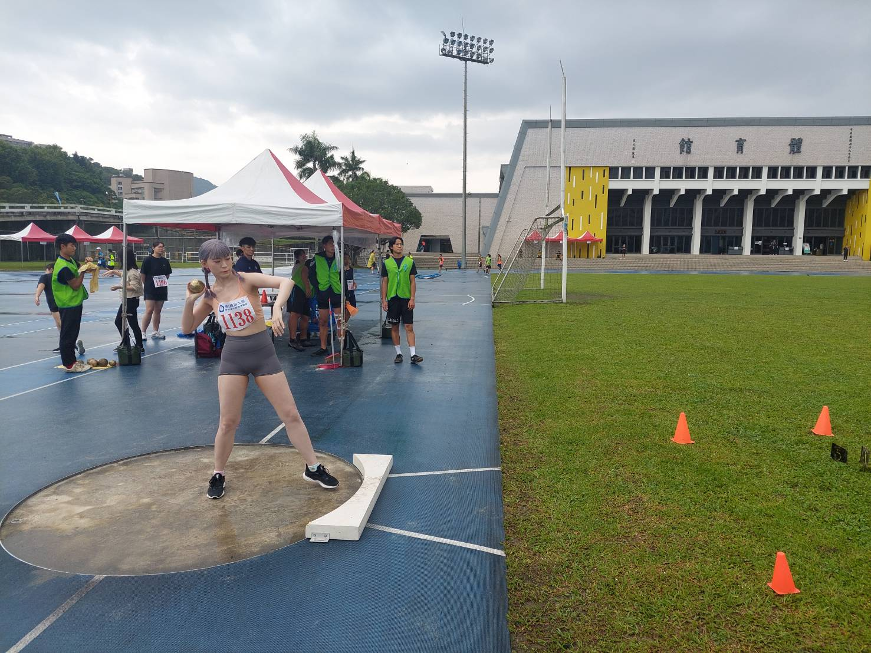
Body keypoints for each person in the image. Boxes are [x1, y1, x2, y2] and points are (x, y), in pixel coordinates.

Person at [182, 239, 339, 499]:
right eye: (216, 261)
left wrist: (277, 307)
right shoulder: (210, 297)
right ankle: (218, 473)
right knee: (228, 421)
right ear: (205, 265)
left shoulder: (246, 280)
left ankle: (312, 467)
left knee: (290, 414)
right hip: (233, 358)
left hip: (264, 354)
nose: (224, 265)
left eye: (227, 258)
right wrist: (190, 302)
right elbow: (188, 328)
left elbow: (286, 282)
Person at [51, 234, 91, 372]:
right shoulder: (63, 266)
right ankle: (69, 363)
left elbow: (80, 268)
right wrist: (83, 273)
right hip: (68, 304)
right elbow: (75, 285)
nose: (74, 247)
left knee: (73, 333)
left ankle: (72, 360)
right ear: (63, 246)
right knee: (67, 334)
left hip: (74, 303)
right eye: (72, 245)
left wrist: (86, 265)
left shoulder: (70, 261)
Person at [381, 236, 422, 364]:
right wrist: (384, 300)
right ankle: (398, 353)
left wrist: (412, 298)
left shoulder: (409, 262)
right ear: (391, 247)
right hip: (393, 299)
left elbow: (412, 281)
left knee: (409, 326)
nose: (400, 246)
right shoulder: (386, 263)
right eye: (397, 244)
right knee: (394, 326)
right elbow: (385, 282)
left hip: (406, 299)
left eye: (401, 244)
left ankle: (413, 354)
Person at [104, 245, 144, 352]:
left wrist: (119, 287)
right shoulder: (129, 271)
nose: (118, 259)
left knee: (122, 322)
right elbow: (124, 275)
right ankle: (133, 344)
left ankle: (131, 344)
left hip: (130, 301)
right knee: (129, 322)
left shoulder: (133, 272)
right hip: (127, 300)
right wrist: (113, 272)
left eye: (120, 257)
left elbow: (135, 287)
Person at [309, 235, 342, 357]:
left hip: (336, 292)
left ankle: (342, 347)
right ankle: (323, 347)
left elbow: (342, 275)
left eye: (334, 244)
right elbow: (311, 275)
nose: (333, 246)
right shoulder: (317, 258)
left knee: (340, 321)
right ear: (324, 246)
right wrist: (317, 287)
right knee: (323, 321)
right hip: (323, 292)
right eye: (330, 244)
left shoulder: (339, 258)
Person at [140, 240, 172, 340]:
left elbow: (167, 274)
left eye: (162, 247)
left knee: (158, 310)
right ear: (153, 248)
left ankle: (155, 331)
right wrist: (148, 285)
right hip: (150, 288)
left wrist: (161, 281)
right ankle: (143, 332)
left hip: (161, 289)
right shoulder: (147, 260)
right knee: (149, 310)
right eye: (159, 247)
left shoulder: (165, 261)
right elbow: (143, 275)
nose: (161, 248)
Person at [287, 248, 313, 351]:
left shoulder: (304, 265)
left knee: (305, 316)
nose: (305, 256)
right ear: (297, 257)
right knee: (295, 314)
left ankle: (303, 338)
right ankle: (292, 339)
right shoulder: (300, 266)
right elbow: (304, 275)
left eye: (305, 254)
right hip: (297, 290)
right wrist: (307, 288)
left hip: (305, 292)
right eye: (302, 255)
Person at [35, 262, 61, 349]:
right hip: (64, 302)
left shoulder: (45, 277)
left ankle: (72, 342)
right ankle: (64, 344)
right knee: (59, 324)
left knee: (60, 324)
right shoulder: (60, 276)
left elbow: (41, 286)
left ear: (51, 269)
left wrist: (37, 296)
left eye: (46, 270)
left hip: (53, 303)